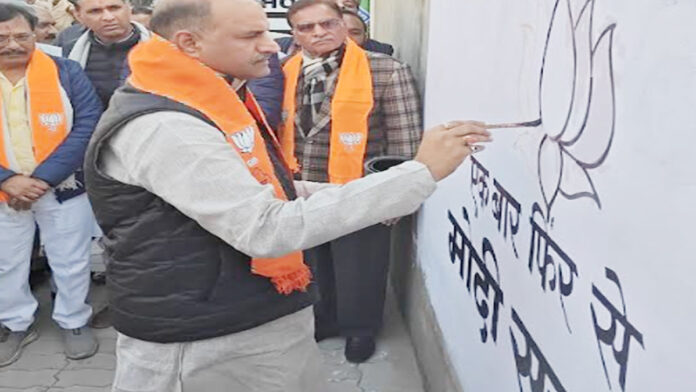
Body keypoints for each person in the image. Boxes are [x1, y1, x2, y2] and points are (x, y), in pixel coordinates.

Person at [83, 0, 489, 390]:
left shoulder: (207, 95)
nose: (272, 45)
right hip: (207, 341)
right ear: (190, 44)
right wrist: (419, 174)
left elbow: (268, 187)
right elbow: (265, 227)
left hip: (243, 317)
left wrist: (389, 184)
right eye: (252, 34)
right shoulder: (168, 126)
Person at [278, 0, 420, 363]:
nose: (318, 32)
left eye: (327, 23)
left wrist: (397, 197)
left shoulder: (385, 70)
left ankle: (360, 329)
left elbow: (404, 143)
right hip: (303, 188)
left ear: (343, 25)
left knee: (362, 264)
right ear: (294, 33)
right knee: (314, 261)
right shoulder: (283, 72)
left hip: (360, 190)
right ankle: (324, 318)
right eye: (306, 27)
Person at [0, 1, 102, 367]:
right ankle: (15, 323)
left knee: (71, 258)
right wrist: (8, 180)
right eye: (2, 37)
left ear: (36, 34)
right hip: (3, 194)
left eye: (21, 35)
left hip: (61, 185)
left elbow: (88, 124)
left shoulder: (66, 71)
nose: (12, 44)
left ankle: (74, 321)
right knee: (5, 261)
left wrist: (41, 179)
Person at [61, 0, 150, 107]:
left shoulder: (162, 47)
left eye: (114, 8)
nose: (108, 17)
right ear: (78, 16)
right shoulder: (69, 51)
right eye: (95, 11)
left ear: (129, 8)